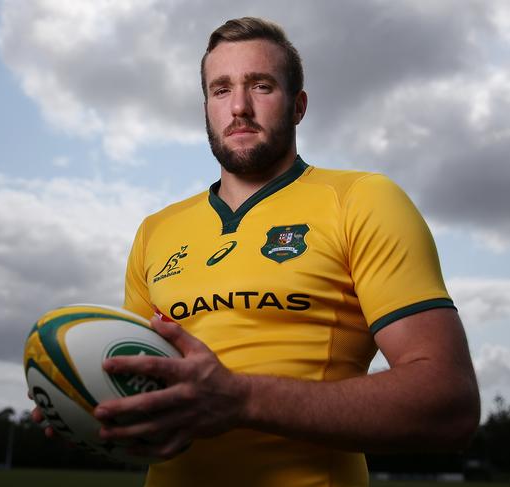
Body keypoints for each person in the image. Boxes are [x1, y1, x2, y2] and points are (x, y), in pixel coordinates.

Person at [34, 17, 480, 487]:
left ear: (298, 105)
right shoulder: (155, 230)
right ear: (206, 106)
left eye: (261, 86)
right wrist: (83, 403)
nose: (239, 108)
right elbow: (143, 386)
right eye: (221, 90)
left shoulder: (361, 199)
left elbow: (448, 403)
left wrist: (242, 399)